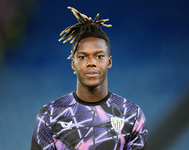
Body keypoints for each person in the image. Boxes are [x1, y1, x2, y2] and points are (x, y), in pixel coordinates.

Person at [31, 6, 148, 150]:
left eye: (99, 56)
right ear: (73, 64)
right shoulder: (50, 115)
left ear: (109, 62)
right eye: (83, 57)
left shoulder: (131, 114)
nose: (91, 62)